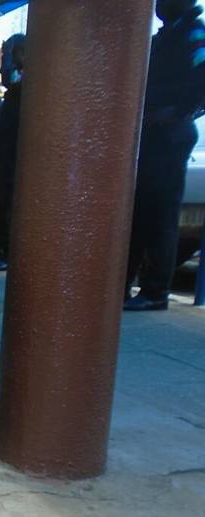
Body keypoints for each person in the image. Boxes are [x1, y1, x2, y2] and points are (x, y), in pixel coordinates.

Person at [125, 0, 205, 311]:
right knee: (138, 212)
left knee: (160, 216)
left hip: (169, 133)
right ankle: (124, 286)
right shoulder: (169, 34)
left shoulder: (194, 33)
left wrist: (178, 112)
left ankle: (155, 291)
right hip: (152, 132)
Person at [0, 33, 26, 272]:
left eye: (6, 58)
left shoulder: (24, 89)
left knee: (9, 203)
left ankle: (8, 251)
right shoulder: (13, 95)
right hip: (4, 157)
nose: (1, 68)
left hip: (14, 162)